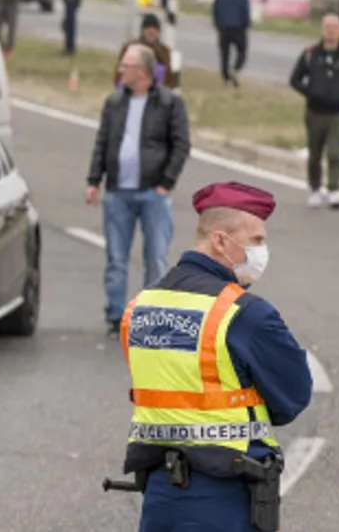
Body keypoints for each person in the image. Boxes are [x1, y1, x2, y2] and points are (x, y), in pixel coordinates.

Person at [118, 182, 313, 532]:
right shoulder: (245, 314)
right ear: (221, 241)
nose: (262, 252)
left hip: (159, 494)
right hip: (225, 493)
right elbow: (293, 397)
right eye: (256, 241)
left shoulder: (139, 306)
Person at [87, 44, 192, 335]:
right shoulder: (114, 103)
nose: (121, 71)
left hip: (152, 193)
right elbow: (102, 142)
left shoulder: (170, 104)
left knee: (156, 256)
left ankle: (152, 314)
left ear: (143, 71)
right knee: (116, 257)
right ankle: (116, 314)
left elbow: (181, 145)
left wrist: (165, 183)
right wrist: (94, 181)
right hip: (118, 191)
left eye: (127, 66)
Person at [290, 14, 339, 210]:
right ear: (322, 29)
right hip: (314, 112)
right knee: (315, 153)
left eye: (335, 27)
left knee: (335, 152)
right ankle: (315, 188)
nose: (331, 31)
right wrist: (310, 93)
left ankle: (334, 189)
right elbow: (295, 79)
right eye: (327, 27)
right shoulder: (310, 53)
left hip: (337, 113)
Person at [115, 14, 178, 89]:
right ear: (142, 30)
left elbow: (170, 79)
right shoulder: (130, 47)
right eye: (148, 28)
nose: (151, 31)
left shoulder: (164, 51)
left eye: (155, 28)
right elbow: (119, 74)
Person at [212, 0, 252, 87]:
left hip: (224, 27)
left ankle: (225, 77)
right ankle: (236, 68)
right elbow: (245, 8)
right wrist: (246, 24)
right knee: (242, 50)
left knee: (224, 53)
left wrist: (217, 23)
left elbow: (216, 8)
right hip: (238, 27)